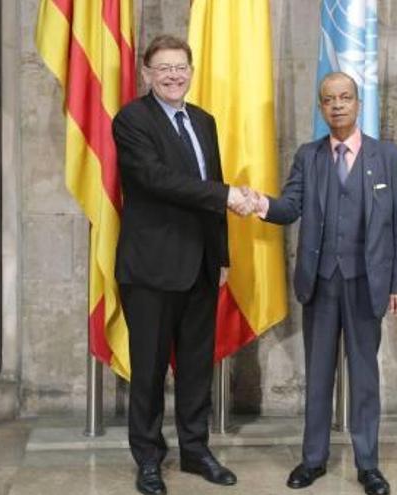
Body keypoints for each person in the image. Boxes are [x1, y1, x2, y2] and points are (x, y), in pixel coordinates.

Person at [252, 72, 397, 495]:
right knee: (318, 375)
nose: (337, 105)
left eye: (345, 98)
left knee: (364, 377)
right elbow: (290, 207)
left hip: (367, 283)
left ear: (358, 104)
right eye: (328, 100)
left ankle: (369, 465)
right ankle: (313, 459)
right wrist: (259, 203)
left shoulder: (389, 157)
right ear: (321, 108)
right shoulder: (309, 157)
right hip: (320, 284)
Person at [111, 34, 254, 495]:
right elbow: (155, 180)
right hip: (151, 267)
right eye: (164, 68)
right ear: (147, 74)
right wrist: (227, 195)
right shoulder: (132, 119)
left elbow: (209, 186)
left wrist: (223, 256)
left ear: (191, 71)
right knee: (149, 369)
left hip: (202, 267)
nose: (174, 75)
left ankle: (196, 450)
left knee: (196, 366)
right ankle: (149, 459)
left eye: (181, 67)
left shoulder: (204, 121)